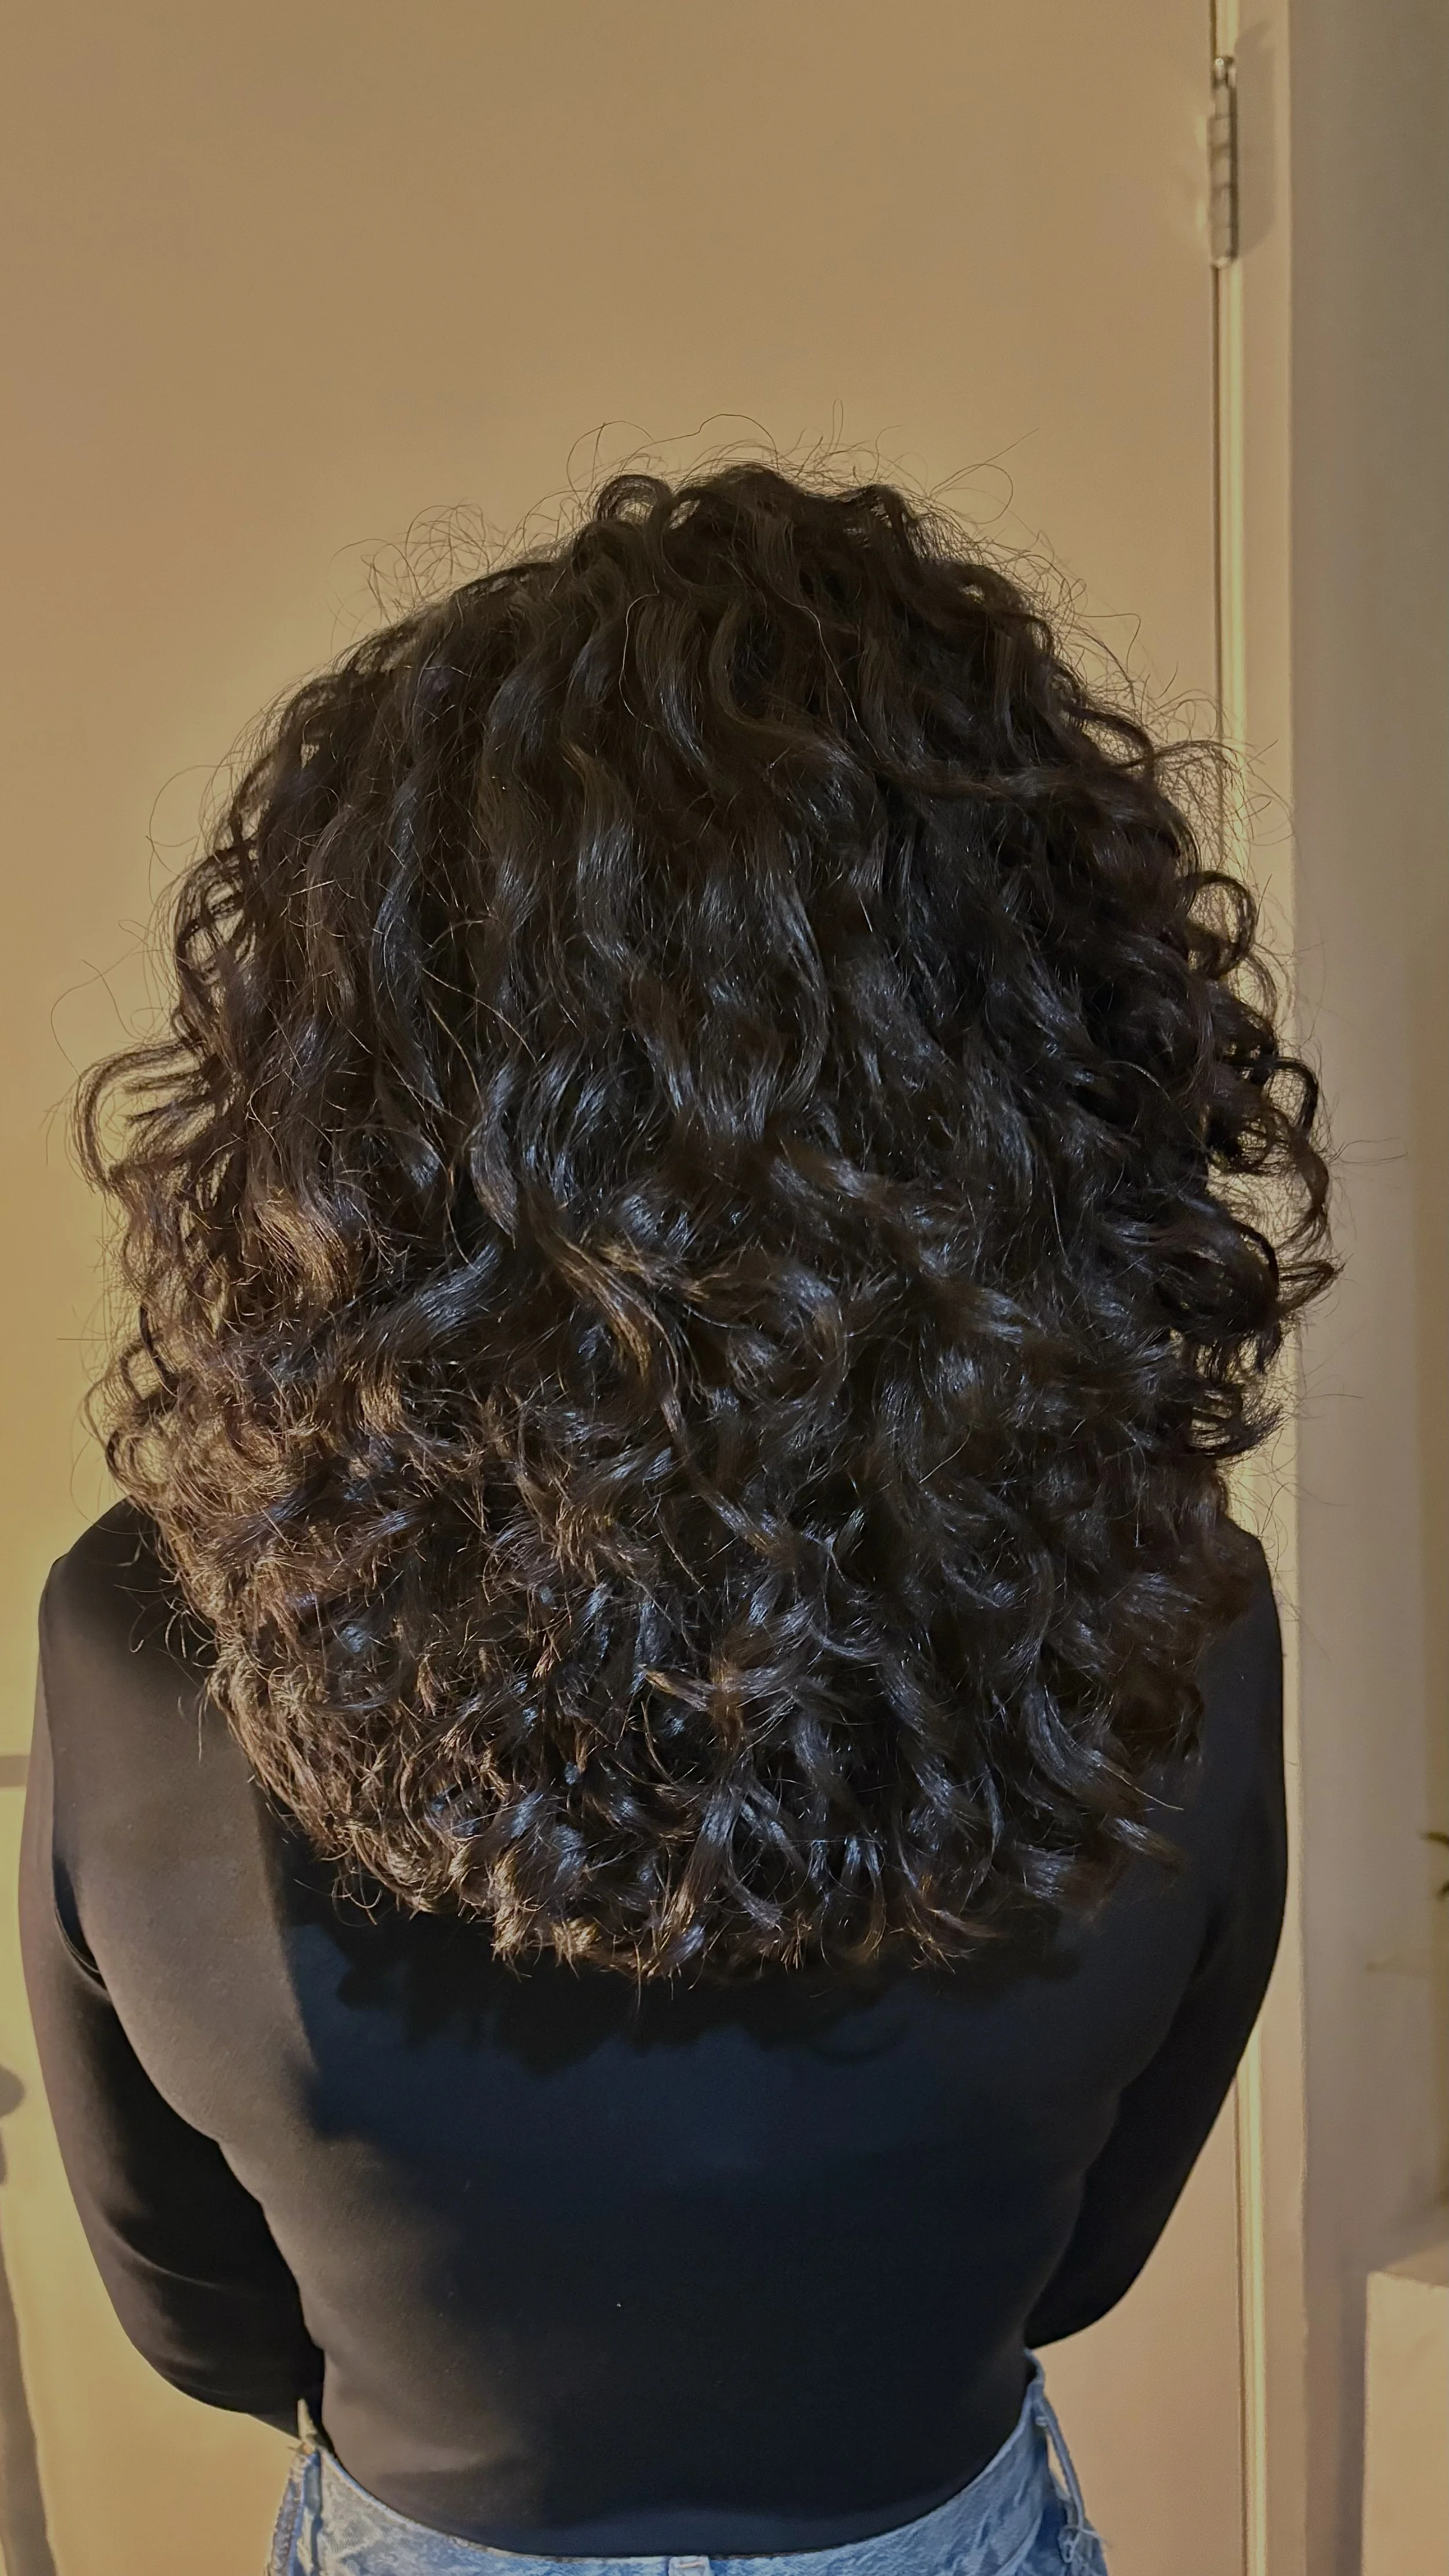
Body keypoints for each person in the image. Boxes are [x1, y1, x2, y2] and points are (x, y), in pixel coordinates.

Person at [20, 463, 1333, 2576]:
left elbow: (189, 2307)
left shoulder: (138, 1629)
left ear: (350, 1073)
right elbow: (1080, 2255)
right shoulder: (1168, 1604)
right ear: (1040, 1063)